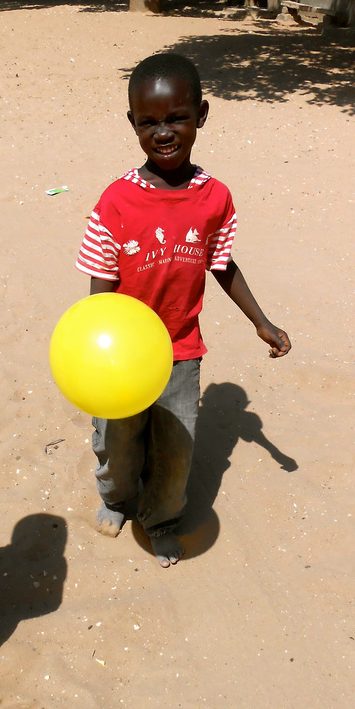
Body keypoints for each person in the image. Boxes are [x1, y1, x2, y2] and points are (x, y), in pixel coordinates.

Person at [76, 53, 291, 568]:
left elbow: (222, 265)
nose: (164, 132)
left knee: (176, 450)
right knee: (118, 441)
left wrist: (261, 321)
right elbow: (99, 290)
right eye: (149, 122)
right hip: (124, 356)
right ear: (133, 124)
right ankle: (118, 499)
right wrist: (101, 356)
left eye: (177, 118)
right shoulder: (117, 202)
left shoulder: (214, 198)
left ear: (202, 114)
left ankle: (162, 518)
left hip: (180, 350)